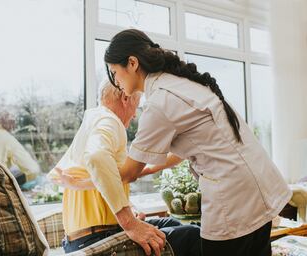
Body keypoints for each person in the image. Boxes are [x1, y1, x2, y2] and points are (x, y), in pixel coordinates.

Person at [97, 28, 292, 256]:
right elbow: (182, 153)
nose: (116, 81)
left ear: (132, 63)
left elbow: (128, 172)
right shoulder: (179, 83)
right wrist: (145, 169)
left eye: (114, 72)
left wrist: (92, 173)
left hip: (234, 198)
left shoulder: (160, 100)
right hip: (257, 188)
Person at [48, 81, 201, 256]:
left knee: (172, 224)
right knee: (192, 235)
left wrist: (188, 149)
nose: (135, 114)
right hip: (97, 239)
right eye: (137, 104)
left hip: (81, 239)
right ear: (125, 98)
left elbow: (124, 174)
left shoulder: (93, 120)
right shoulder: (110, 121)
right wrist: (129, 222)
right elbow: (97, 157)